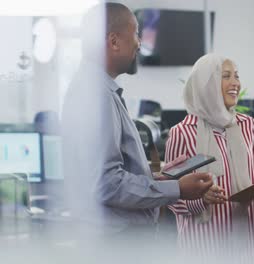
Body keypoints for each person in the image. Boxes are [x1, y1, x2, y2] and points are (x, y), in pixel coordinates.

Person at [61, 2, 213, 241]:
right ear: (113, 41)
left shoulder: (99, 90)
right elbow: (107, 184)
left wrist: (156, 178)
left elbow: (106, 174)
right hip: (116, 242)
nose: (139, 43)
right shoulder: (95, 96)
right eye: (135, 34)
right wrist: (178, 189)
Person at [165, 54, 254, 263]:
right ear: (207, 84)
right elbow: (170, 197)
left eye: (237, 76)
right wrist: (200, 200)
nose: (235, 83)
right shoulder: (183, 133)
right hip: (204, 251)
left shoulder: (247, 125)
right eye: (226, 76)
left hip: (249, 251)